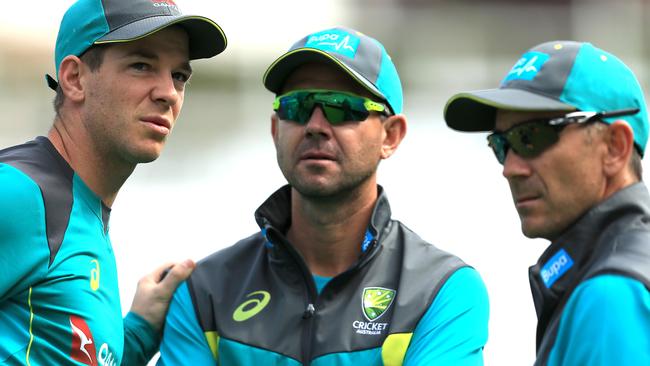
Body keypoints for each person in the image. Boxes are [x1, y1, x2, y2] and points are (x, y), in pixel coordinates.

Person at [158, 26, 489, 365]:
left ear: (391, 136)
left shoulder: (441, 291)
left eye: (342, 108)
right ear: (275, 130)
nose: (315, 125)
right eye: (297, 106)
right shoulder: (204, 293)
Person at [0, 0, 227, 364]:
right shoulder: (19, 195)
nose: (168, 92)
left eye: (179, 76)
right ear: (75, 79)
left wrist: (139, 330)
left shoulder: (82, 208)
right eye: (141, 65)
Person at [444, 40, 650, 365]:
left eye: (532, 136)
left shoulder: (612, 293)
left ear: (615, 148)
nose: (509, 168)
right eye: (501, 145)